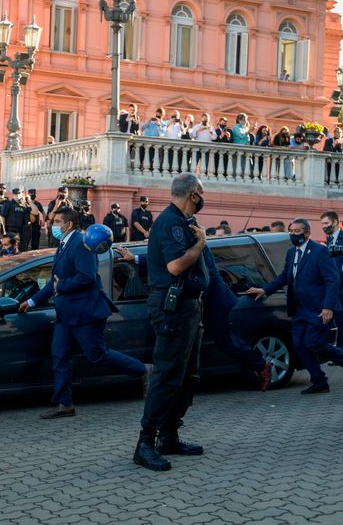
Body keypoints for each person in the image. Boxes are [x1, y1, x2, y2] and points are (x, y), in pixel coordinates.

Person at [19, 208, 147, 420]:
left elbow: (87, 277)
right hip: (66, 313)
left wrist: (63, 286)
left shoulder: (81, 242)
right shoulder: (64, 243)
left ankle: (143, 370)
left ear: (68, 225)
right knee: (59, 356)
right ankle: (64, 403)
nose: (53, 225)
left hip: (85, 312)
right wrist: (32, 301)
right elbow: (55, 280)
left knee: (97, 354)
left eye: (57, 221)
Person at [134, 174, 208, 472]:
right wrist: (201, 244)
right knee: (166, 376)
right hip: (172, 307)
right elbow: (175, 265)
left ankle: (169, 435)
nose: (204, 197)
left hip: (187, 307)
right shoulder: (170, 222)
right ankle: (145, 443)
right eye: (202, 193)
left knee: (186, 376)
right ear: (193, 194)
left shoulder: (182, 221)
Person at [246, 219, 343, 394]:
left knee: (313, 343)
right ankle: (319, 381)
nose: (293, 234)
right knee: (299, 346)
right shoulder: (291, 253)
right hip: (300, 309)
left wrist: (328, 307)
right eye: (291, 231)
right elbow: (284, 277)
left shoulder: (320, 251)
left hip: (319, 308)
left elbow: (332, 279)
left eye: (297, 231)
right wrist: (265, 290)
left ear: (306, 233)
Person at [320, 210, 343, 352]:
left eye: (326, 223)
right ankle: (339, 348)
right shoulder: (329, 240)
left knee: (340, 319)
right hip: (332, 285)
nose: (323, 226)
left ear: (334, 222)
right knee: (334, 319)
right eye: (322, 224)